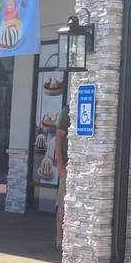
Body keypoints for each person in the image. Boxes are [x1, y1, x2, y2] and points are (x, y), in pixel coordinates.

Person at [53, 104, 71, 250]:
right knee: (62, 203)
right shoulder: (68, 111)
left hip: (81, 166)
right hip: (67, 165)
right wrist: (60, 165)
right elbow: (58, 137)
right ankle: (59, 239)